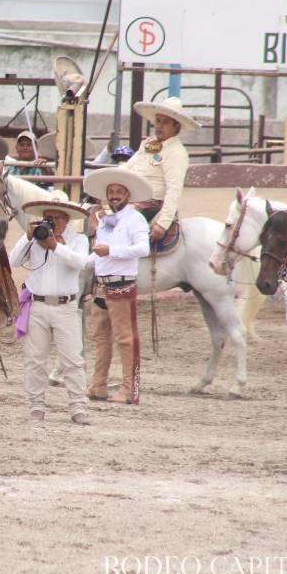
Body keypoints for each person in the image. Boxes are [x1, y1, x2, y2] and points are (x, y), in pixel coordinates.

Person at [9, 196, 91, 425]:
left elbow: (81, 263)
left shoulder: (78, 239)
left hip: (66, 306)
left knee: (73, 359)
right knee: (34, 359)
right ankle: (36, 405)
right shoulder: (34, 239)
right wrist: (27, 237)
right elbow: (14, 260)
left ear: (67, 220)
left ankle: (78, 406)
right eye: (48, 218)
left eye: (56, 218)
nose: (52, 222)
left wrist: (55, 246)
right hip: (37, 304)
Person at [82, 167, 152, 405]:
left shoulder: (135, 220)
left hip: (121, 284)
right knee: (101, 337)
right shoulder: (106, 222)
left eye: (118, 191)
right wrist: (80, 263)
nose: (113, 195)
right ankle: (98, 385)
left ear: (127, 194)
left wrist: (111, 250)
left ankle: (130, 389)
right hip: (101, 285)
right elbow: (98, 254)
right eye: (110, 191)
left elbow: (144, 249)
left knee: (125, 338)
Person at [122, 97, 200, 243]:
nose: (159, 126)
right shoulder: (148, 143)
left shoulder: (176, 152)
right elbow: (128, 167)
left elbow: (174, 189)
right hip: (132, 198)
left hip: (152, 204)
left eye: (165, 122)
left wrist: (163, 223)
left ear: (176, 127)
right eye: (158, 121)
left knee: (121, 220)